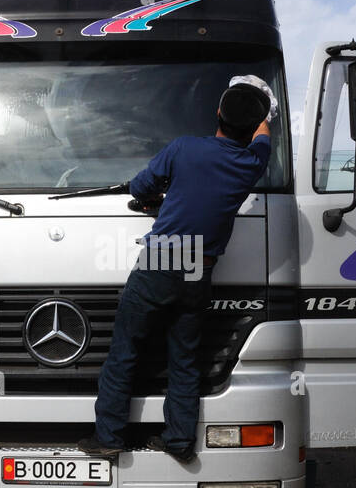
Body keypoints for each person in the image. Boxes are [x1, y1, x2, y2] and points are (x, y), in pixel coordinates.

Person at [78, 80, 274, 463]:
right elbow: (263, 135)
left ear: (217, 114)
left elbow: (141, 184)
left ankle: (109, 436)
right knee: (184, 358)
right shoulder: (252, 162)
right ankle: (179, 441)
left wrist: (152, 198)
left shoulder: (184, 147)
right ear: (252, 128)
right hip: (199, 271)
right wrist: (263, 119)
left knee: (125, 350)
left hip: (161, 262)